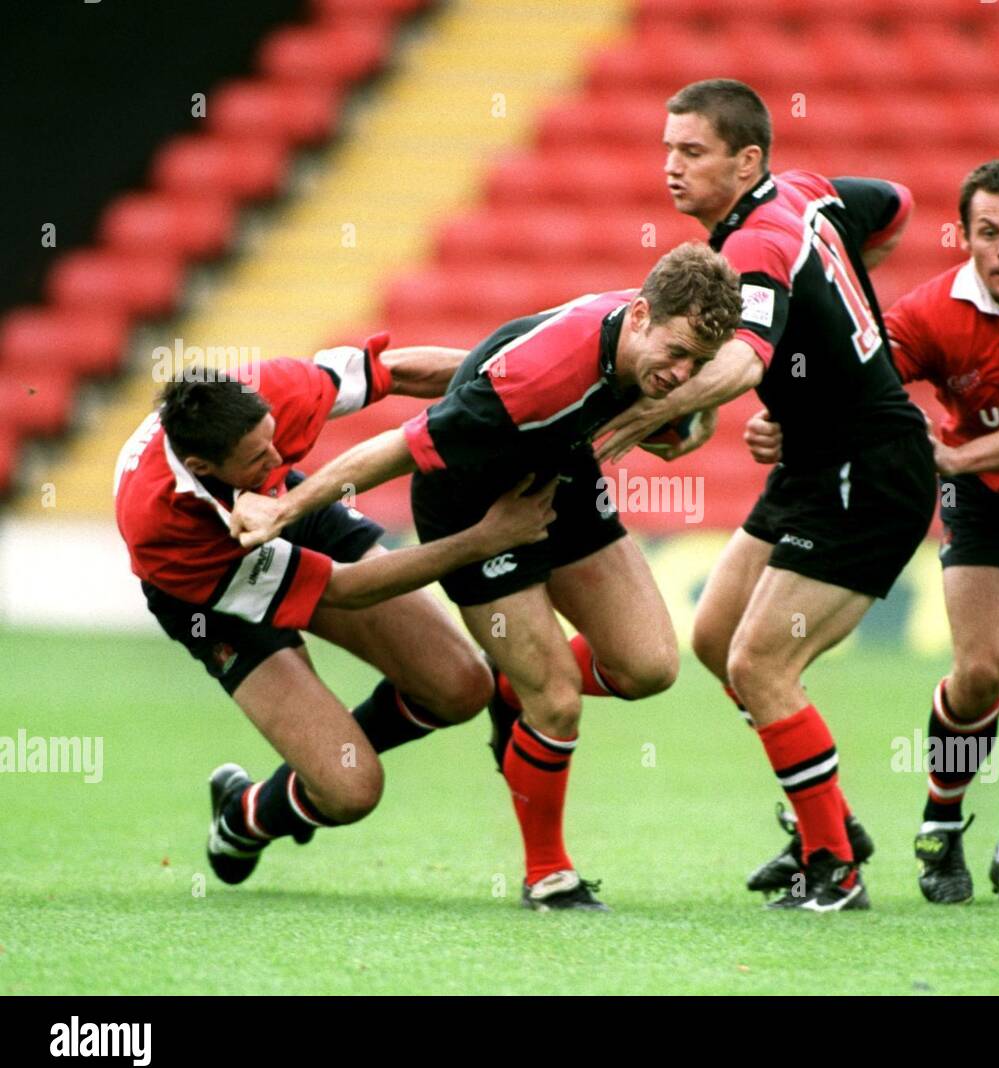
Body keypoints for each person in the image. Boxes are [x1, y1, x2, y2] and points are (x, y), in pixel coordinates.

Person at [229, 242, 743, 910]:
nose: (682, 373)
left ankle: (513, 681)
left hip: (557, 478)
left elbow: (741, 356)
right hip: (468, 504)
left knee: (649, 667)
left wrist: (686, 414)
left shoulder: (652, 340)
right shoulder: (538, 379)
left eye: (696, 363)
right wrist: (288, 508)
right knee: (555, 697)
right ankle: (547, 874)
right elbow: (396, 450)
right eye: (676, 355)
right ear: (640, 315)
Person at [743, 158, 999, 905]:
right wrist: (784, 422)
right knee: (982, 672)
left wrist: (958, 455)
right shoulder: (932, 312)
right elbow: (855, 377)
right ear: (964, 238)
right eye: (988, 233)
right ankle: (942, 821)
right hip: (988, 509)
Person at [597, 79, 935, 912]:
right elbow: (893, 206)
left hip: (868, 471)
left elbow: (743, 362)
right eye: (667, 147)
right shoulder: (808, 191)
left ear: (747, 160)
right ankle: (831, 827)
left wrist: (616, 434)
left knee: (761, 662)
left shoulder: (752, 246)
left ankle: (835, 871)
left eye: (692, 152)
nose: (670, 167)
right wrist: (829, 344)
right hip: (815, 461)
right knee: (717, 641)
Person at [114, 334, 558, 886]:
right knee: (351, 792)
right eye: (258, 459)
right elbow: (345, 590)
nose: (278, 458)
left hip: (289, 515)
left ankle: (267, 796)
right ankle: (244, 818)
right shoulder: (165, 526)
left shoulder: (274, 389)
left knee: (461, 686)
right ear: (204, 465)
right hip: (210, 593)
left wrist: (515, 387)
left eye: (272, 441)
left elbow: (393, 371)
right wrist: (486, 537)